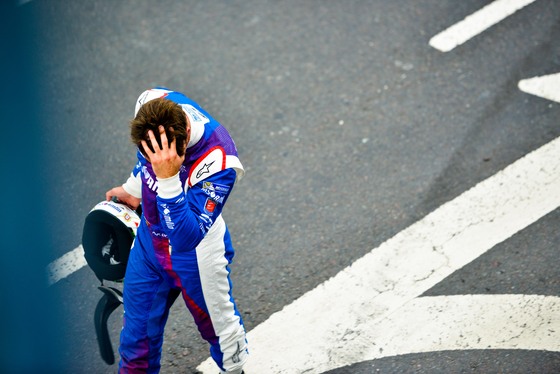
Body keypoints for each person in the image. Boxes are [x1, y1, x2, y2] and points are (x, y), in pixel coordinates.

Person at [105, 87, 248, 374]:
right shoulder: (150, 101)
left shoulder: (221, 159)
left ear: (183, 133)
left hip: (197, 256)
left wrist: (168, 178)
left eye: (164, 159)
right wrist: (132, 189)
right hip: (149, 246)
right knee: (135, 344)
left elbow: (185, 238)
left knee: (220, 333)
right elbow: (143, 164)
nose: (156, 162)